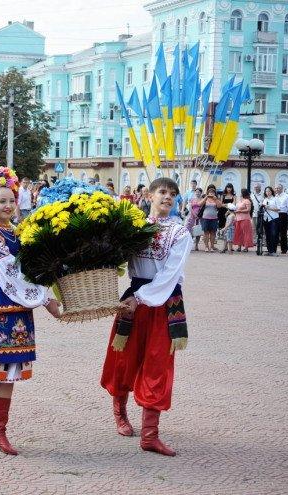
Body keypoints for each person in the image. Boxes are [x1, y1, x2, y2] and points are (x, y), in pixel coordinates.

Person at [0, 167, 61, 455]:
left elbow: (30, 269)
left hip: (19, 308)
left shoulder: (19, 233)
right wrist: (46, 299)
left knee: (9, 373)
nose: (7, 206)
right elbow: (10, 277)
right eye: (0, 201)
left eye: (11, 200)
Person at [101, 177, 192, 457]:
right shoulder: (133, 226)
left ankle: (150, 434)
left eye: (172, 194)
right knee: (124, 358)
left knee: (158, 364)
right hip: (134, 298)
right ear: (149, 195)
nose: (167, 197)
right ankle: (120, 414)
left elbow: (169, 275)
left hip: (163, 301)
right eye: (162, 192)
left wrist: (139, 298)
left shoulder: (180, 233)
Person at [198, 184, 221, 253]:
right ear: (207, 193)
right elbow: (199, 204)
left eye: (213, 192)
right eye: (210, 192)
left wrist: (215, 199)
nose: (211, 193)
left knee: (213, 232)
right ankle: (206, 247)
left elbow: (219, 206)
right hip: (205, 218)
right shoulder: (205, 198)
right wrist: (206, 197)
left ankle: (211, 246)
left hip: (214, 218)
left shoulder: (216, 199)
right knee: (206, 233)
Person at [261, 186, 281, 256]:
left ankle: (273, 251)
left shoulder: (275, 199)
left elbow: (279, 209)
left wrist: (269, 208)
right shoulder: (265, 199)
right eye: (266, 191)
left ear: (272, 191)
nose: (268, 192)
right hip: (266, 218)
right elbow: (263, 209)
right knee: (268, 234)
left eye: (269, 191)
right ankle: (269, 250)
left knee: (274, 234)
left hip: (274, 218)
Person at [275, 184, 288, 255]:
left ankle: (284, 249)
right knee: (275, 232)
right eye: (276, 188)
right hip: (276, 214)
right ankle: (274, 248)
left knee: (283, 232)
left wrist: (286, 214)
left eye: (278, 188)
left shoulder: (286, 196)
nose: (276, 190)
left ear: (282, 189)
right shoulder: (275, 196)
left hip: (283, 214)